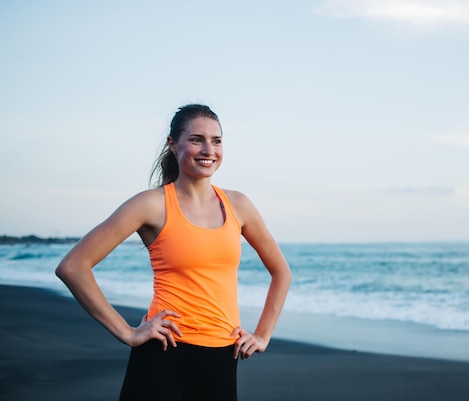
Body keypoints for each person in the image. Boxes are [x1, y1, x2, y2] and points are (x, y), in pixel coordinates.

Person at [56, 104, 292, 400]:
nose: (209, 149)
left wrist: (262, 335)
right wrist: (127, 332)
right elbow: (74, 266)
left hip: (222, 356)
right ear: (172, 144)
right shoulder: (151, 204)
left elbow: (281, 271)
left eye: (216, 141)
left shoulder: (238, 205)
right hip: (164, 353)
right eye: (196, 139)